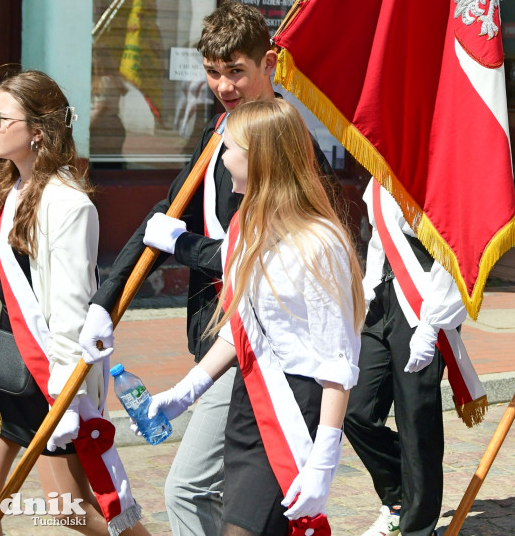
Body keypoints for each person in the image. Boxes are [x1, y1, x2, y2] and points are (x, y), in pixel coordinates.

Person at [78, 1, 338, 536]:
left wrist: (187, 247)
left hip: (267, 348)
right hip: (219, 338)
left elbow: (278, 260)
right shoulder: (221, 131)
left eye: (237, 71)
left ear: (269, 64)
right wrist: (105, 304)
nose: (224, 85)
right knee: (242, 503)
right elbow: (165, 218)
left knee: (190, 489)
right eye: (213, 72)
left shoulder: (289, 146)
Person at [142, 98, 363, 536]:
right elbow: (243, 329)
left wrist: (324, 457)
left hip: (294, 403)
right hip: (250, 401)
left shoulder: (320, 243)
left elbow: (338, 361)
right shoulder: (249, 226)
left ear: (260, 156)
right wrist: (186, 391)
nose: (222, 158)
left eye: (232, 148)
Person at [0, 68, 149, 536]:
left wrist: (66, 400)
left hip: (47, 377)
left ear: (38, 132)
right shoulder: (12, 186)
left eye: (2, 119)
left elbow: (70, 312)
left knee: (70, 508)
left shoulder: (67, 204)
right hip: (4, 368)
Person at [345, 179, 486, 536]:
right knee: (355, 409)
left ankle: (417, 527)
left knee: (416, 421)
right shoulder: (383, 169)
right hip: (381, 301)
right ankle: (398, 496)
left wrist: (432, 323)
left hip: (423, 306)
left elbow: (455, 252)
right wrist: (365, 291)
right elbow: (379, 239)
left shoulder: (441, 171)